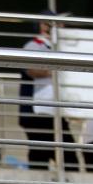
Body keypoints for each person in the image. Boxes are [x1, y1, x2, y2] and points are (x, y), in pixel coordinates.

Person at [18, 12, 77, 170]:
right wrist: (60, 70)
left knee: (66, 156)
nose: (61, 27)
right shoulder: (34, 45)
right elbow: (33, 69)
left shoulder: (56, 47)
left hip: (53, 110)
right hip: (37, 111)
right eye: (55, 23)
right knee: (42, 153)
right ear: (43, 25)